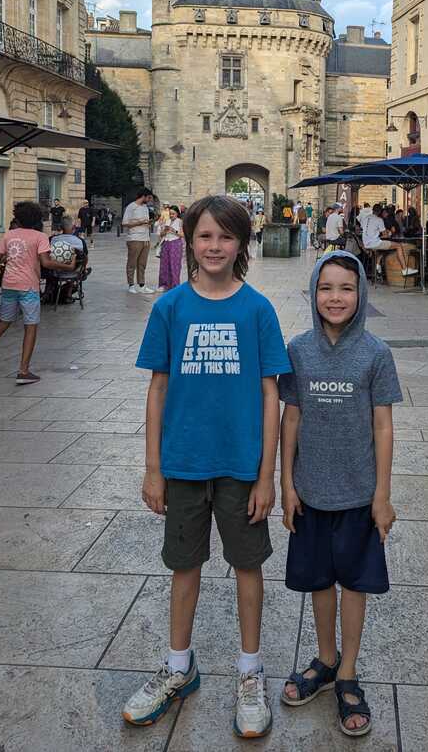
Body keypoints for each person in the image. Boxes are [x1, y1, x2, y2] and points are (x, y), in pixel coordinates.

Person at [121, 195, 290, 737]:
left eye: (225, 237)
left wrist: (268, 475)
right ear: (188, 240)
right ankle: (178, 665)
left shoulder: (258, 310)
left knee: (248, 567)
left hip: (241, 467)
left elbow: (271, 396)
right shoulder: (170, 307)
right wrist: (153, 468)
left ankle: (249, 669)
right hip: (185, 464)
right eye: (204, 236)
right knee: (183, 566)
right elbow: (157, 389)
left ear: (242, 244)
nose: (214, 246)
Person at [279, 251, 401, 737]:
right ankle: (325, 660)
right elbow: (292, 418)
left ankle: (348, 670)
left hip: (357, 492)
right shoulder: (299, 350)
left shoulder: (376, 353)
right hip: (310, 491)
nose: (335, 297)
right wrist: (285, 483)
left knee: (354, 582)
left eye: (346, 289)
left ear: (361, 294)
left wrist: (382, 495)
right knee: (318, 581)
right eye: (326, 288)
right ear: (313, 294)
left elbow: (384, 427)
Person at [0, 201, 73, 384]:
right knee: (30, 326)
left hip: (9, 285)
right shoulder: (39, 237)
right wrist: (68, 265)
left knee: (2, 324)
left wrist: (8, 258)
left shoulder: (9, 235)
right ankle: (23, 371)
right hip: (28, 287)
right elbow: (46, 262)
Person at [362, 204, 418, 277]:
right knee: (398, 246)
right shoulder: (379, 220)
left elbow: (368, 230)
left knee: (385, 248)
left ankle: (377, 265)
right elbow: (385, 235)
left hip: (365, 243)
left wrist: (377, 234)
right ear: (380, 212)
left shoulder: (365, 218)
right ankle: (404, 269)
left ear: (373, 210)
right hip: (374, 243)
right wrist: (389, 233)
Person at [122, 188, 154, 295]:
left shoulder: (145, 207)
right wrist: (140, 222)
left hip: (146, 238)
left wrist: (148, 223)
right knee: (132, 262)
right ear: (143, 196)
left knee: (142, 263)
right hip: (134, 238)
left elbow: (145, 222)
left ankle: (142, 285)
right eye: (149, 197)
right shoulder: (131, 207)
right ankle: (131, 285)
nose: (150, 200)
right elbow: (125, 223)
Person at [157, 205, 184, 292]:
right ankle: (164, 284)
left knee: (174, 265)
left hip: (175, 243)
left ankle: (175, 285)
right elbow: (161, 235)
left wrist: (173, 230)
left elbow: (183, 235)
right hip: (166, 242)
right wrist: (164, 230)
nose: (171, 215)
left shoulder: (180, 222)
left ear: (177, 214)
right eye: (170, 214)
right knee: (164, 264)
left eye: (173, 214)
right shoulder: (167, 221)